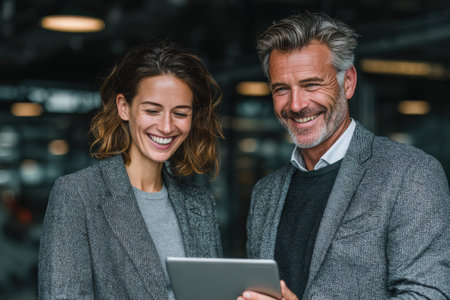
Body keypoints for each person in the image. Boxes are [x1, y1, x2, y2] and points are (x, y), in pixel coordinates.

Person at [238, 12, 450, 300]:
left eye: (311, 84)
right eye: (281, 89)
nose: (297, 104)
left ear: (347, 82)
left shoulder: (411, 174)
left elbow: (428, 295)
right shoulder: (266, 193)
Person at [38, 39, 224, 299]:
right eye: (152, 110)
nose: (167, 127)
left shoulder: (200, 203)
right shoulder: (77, 195)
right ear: (124, 107)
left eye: (180, 113)